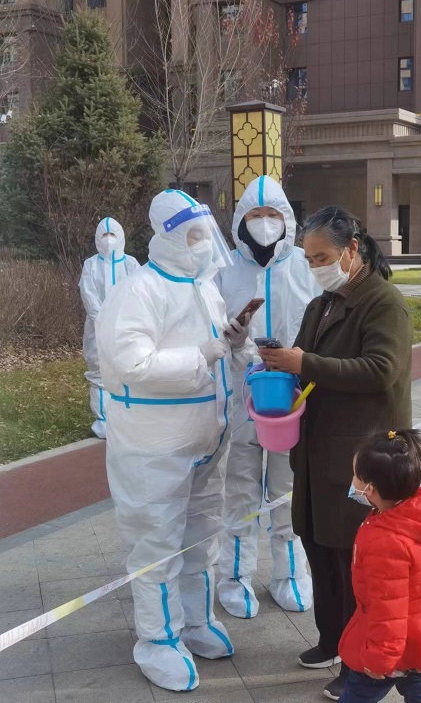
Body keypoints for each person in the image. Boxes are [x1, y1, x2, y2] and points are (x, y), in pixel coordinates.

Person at [96, 190, 254, 692]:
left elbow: (215, 348)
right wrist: (206, 352)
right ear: (165, 237)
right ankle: (157, 639)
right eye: (193, 236)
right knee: (157, 542)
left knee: (201, 537)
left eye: (206, 235)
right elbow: (131, 364)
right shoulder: (138, 291)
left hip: (206, 443)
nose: (203, 246)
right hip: (155, 449)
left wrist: (234, 342)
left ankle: (194, 620)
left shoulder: (203, 289)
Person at [261, 206, 413, 701]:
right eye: (308, 259)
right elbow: (311, 364)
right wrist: (281, 362)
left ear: (352, 250)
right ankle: (330, 639)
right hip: (316, 450)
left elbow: (379, 370)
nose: (315, 266)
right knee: (318, 547)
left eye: (322, 256)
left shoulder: (383, 303)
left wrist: (305, 361)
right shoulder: (321, 303)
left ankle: (361, 663)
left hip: (361, 456)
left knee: (355, 565)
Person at [216, 175, 319, 618]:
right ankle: (235, 577)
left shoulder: (304, 267)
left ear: (286, 219)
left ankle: (290, 575)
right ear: (241, 221)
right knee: (240, 491)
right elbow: (214, 338)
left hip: (292, 400)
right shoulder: (226, 274)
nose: (263, 224)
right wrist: (235, 337)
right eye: (255, 216)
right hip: (244, 401)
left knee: (287, 489)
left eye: (272, 215)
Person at [339, 429, 421, 702]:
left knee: (358, 693)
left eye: (355, 476)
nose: (352, 482)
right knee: (417, 681)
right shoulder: (414, 516)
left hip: (391, 643)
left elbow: (389, 609)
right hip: (415, 636)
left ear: (370, 490)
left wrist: (379, 660)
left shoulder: (385, 542)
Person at [79, 217, 140, 439]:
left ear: (121, 236)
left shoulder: (131, 264)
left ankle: (128, 415)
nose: (108, 240)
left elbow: (138, 293)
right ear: (97, 238)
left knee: (128, 368)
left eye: (112, 234)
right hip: (97, 330)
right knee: (99, 372)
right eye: (104, 235)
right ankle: (103, 420)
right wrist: (102, 320)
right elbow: (89, 295)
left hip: (127, 328)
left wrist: (124, 319)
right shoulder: (91, 265)